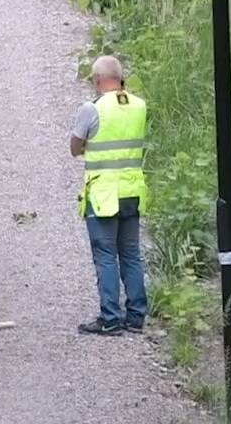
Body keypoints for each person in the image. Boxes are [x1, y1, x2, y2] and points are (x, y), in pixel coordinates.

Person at [68, 54, 149, 336]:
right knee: (130, 254)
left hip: (103, 195)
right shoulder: (139, 106)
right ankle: (136, 317)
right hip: (132, 191)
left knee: (105, 255)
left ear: (97, 79)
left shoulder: (92, 109)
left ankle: (110, 317)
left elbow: (75, 147)